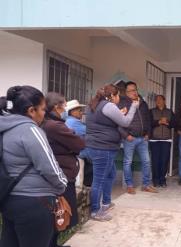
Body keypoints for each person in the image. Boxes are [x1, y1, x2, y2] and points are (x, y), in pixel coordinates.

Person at [0, 86, 67, 247]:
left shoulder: (4, 127)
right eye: (43, 109)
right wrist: (62, 186)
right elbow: (50, 167)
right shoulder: (30, 130)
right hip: (35, 202)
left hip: (8, 199)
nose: (44, 114)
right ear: (31, 110)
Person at [41, 92, 85, 247]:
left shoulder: (54, 123)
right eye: (64, 105)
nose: (66, 108)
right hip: (61, 176)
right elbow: (79, 144)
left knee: (62, 213)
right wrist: (73, 145)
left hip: (64, 173)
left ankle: (54, 246)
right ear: (57, 107)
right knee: (58, 213)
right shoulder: (55, 126)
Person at [85, 84, 138, 221]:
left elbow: (102, 121)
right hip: (103, 148)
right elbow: (125, 123)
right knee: (99, 180)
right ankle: (95, 211)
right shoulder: (108, 106)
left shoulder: (94, 104)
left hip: (95, 146)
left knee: (111, 174)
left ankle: (106, 203)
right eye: (118, 95)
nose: (119, 98)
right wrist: (133, 107)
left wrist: (119, 113)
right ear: (112, 96)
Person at [118, 81, 158, 194]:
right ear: (126, 92)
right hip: (130, 138)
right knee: (127, 162)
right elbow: (118, 123)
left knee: (146, 161)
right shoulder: (123, 104)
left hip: (143, 138)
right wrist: (126, 136)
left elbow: (148, 121)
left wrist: (148, 134)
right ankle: (129, 186)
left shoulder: (143, 104)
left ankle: (146, 185)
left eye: (135, 89)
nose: (133, 92)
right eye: (130, 91)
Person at [149, 95, 175, 187]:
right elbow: (149, 123)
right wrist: (158, 122)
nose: (158, 101)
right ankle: (155, 180)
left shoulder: (169, 111)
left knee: (164, 160)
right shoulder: (151, 111)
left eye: (160, 99)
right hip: (154, 140)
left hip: (166, 140)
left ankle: (162, 180)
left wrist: (167, 122)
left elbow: (174, 123)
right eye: (156, 100)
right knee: (155, 160)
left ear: (164, 101)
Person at [65, 99, 89, 187]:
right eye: (79, 111)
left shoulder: (69, 121)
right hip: (77, 155)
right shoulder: (73, 122)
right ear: (72, 112)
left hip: (74, 154)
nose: (81, 113)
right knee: (78, 181)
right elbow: (89, 132)